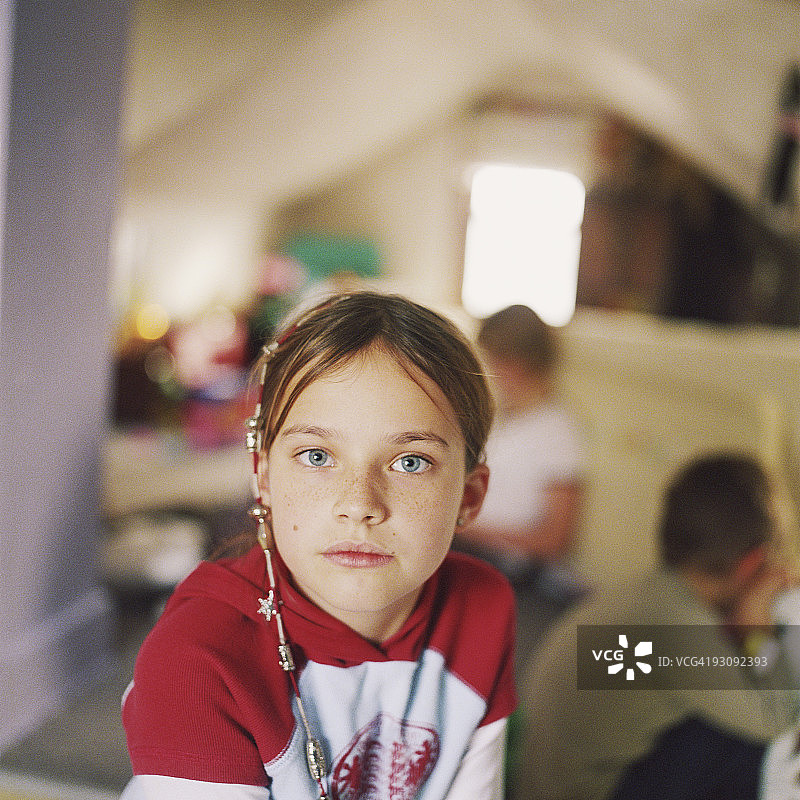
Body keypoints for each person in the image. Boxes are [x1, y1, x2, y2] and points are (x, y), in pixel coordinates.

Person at [120, 291, 518, 800]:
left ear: (469, 495)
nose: (359, 504)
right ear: (262, 477)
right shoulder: (201, 658)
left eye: (410, 462)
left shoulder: (482, 610)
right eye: (316, 456)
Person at [515, 452, 800, 800]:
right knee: (746, 744)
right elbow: (777, 719)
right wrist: (756, 621)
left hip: (543, 781)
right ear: (751, 562)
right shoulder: (679, 629)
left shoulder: (651, 592)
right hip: (593, 791)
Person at [455, 304, 587, 666]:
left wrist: (468, 527)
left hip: (515, 572)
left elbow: (554, 540)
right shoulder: (502, 422)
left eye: (494, 361)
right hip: (472, 546)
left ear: (517, 363)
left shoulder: (556, 432)